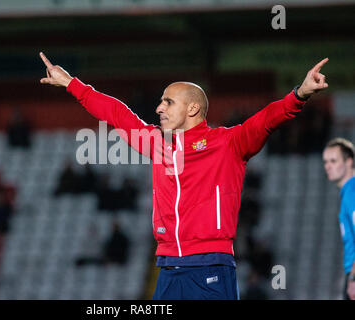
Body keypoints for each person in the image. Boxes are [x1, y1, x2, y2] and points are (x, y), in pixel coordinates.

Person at [39, 51, 329, 300]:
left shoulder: (227, 143)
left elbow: (265, 120)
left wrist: (299, 94)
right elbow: (117, 114)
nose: (158, 108)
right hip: (168, 269)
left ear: (192, 108)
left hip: (211, 266)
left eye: (167, 102)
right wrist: (70, 83)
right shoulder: (158, 143)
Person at [322, 138, 355, 300]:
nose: (327, 166)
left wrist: (353, 278)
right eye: (326, 161)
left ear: (349, 162)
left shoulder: (352, 192)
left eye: (333, 161)